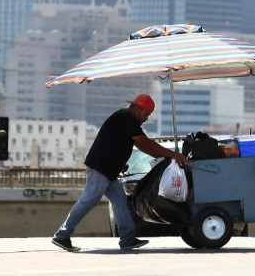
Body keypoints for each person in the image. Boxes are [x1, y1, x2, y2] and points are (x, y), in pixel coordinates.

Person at [51, 94, 187, 252]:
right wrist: (173, 155)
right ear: (137, 109)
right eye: (146, 114)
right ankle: (62, 234)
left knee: (120, 201)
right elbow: (146, 144)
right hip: (100, 168)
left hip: (109, 171)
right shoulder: (125, 118)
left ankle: (128, 239)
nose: (146, 118)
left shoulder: (127, 121)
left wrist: (163, 155)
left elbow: (141, 146)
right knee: (89, 200)